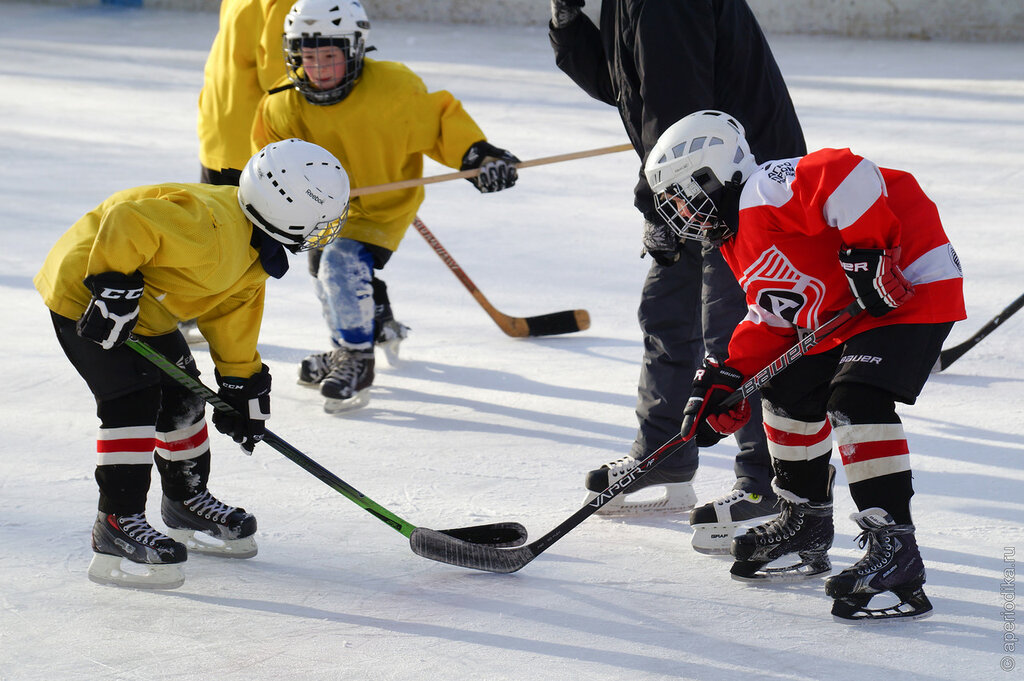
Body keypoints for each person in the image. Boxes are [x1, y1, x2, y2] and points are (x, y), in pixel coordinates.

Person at [646, 109, 964, 621]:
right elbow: (775, 313)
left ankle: (896, 554)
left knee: (856, 400)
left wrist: (870, 254)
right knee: (787, 389)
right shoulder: (733, 240)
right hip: (848, 311)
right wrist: (730, 377)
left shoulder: (765, 188)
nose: (683, 211)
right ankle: (806, 522)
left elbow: (849, 174)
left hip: (909, 286)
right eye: (674, 203)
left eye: (686, 193)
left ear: (717, 174)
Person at [34, 139, 350, 589]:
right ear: (287, 208)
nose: (327, 227)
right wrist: (112, 286)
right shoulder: (208, 226)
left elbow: (232, 311)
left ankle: (185, 500)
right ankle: (117, 523)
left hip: (143, 306)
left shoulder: (255, 247)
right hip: (85, 294)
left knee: (183, 394)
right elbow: (128, 221)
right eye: (320, 217)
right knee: (133, 399)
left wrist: (242, 382)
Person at [548, 0, 806, 549]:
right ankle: (664, 454)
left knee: (740, 338)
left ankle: (769, 485)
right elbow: (623, 85)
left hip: (739, 187)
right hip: (694, 183)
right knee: (669, 313)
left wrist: (657, 208)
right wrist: (571, 29)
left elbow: (675, 106)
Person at [253, 0, 520, 412]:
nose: (319, 69)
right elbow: (273, 162)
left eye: (329, 56)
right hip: (326, 208)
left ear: (355, 50)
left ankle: (357, 359)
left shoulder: (394, 87)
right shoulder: (281, 104)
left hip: (384, 203)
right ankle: (366, 329)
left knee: (340, 261)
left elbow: (440, 122)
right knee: (320, 267)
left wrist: (479, 156)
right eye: (308, 58)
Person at [192, 0, 404, 349]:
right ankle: (376, 317)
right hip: (235, 138)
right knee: (226, 238)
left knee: (243, 240)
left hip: (256, 144)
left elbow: (292, 76)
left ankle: (371, 319)